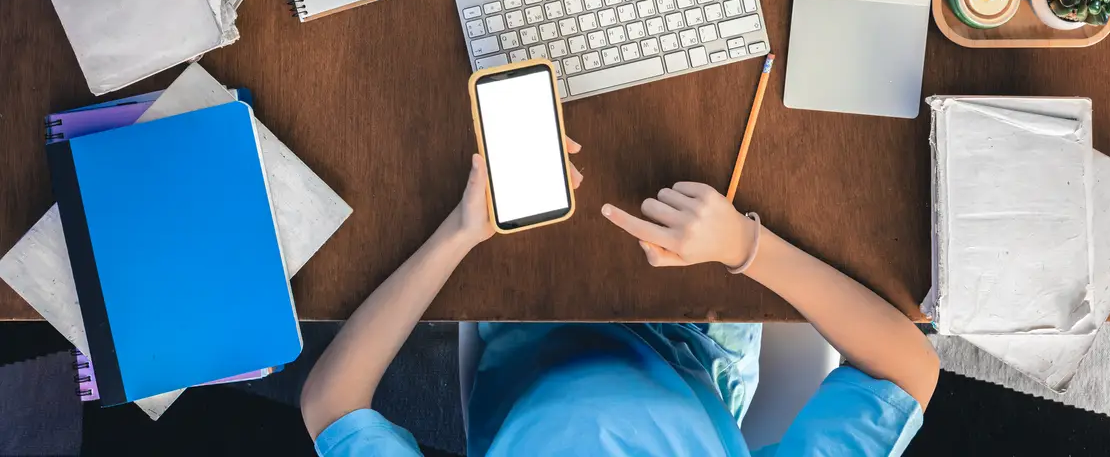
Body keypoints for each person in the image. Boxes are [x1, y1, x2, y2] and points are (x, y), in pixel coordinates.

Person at [300, 141, 939, 456]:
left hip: (525, 314)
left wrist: (460, 233)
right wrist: (746, 246)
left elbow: (332, 406)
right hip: (700, 333)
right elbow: (910, 371)